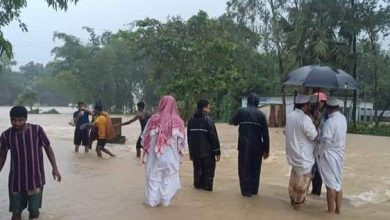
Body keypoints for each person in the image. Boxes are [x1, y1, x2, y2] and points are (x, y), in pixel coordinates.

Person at [0, 106, 61, 220]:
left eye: (20, 120)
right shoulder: (6, 135)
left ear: (26, 119)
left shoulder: (37, 130)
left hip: (35, 179)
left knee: (33, 212)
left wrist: (55, 168)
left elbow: (48, 148)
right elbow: (2, 156)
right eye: (13, 120)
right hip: (16, 181)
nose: (16, 123)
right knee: (16, 212)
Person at [141, 95, 186, 207]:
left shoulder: (153, 120)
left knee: (153, 181)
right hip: (172, 159)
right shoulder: (179, 122)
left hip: (155, 158)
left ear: (161, 104)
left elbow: (143, 138)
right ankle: (165, 205)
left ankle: (152, 205)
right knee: (168, 181)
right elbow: (183, 143)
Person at [231, 93, 270, 197]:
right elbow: (265, 134)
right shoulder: (261, 115)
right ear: (257, 103)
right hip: (258, 146)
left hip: (244, 145)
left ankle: (246, 192)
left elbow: (233, 122)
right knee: (255, 169)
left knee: (244, 168)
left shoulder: (241, 111)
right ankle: (254, 190)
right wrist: (267, 150)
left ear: (248, 101)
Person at [285, 94, 318, 210]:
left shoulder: (290, 116)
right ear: (305, 105)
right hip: (304, 159)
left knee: (293, 188)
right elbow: (314, 137)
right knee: (300, 190)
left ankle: (294, 208)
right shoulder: (305, 119)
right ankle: (297, 211)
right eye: (309, 105)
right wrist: (316, 123)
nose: (310, 107)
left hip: (293, 157)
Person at [316, 98, 347, 214]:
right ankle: (338, 210)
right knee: (338, 183)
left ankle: (330, 211)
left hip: (329, 155)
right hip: (339, 154)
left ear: (328, 109)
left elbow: (326, 140)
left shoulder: (330, 122)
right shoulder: (343, 119)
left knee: (330, 185)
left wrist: (319, 153)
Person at [188, 99, 221, 191]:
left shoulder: (191, 120)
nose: (209, 109)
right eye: (208, 107)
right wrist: (217, 152)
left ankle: (198, 194)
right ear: (204, 108)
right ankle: (207, 195)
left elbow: (189, 138)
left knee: (197, 176)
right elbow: (213, 137)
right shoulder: (208, 120)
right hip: (208, 154)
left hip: (195, 153)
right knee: (208, 177)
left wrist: (191, 152)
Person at [309, 92, 327, 196]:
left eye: (323, 102)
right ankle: (312, 192)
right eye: (321, 102)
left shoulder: (325, 114)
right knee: (311, 170)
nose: (321, 104)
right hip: (311, 145)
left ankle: (316, 193)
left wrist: (319, 121)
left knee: (318, 171)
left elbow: (325, 131)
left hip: (320, 147)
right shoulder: (310, 114)